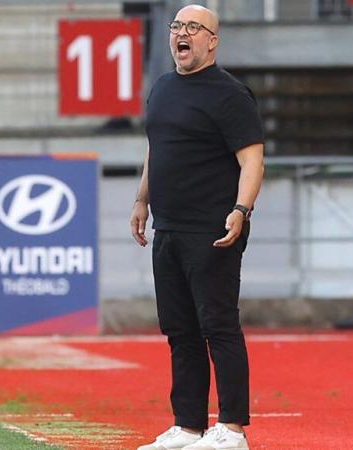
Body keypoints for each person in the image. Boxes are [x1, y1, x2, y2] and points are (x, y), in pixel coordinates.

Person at [132, 5, 264, 450]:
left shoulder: (230, 95)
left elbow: (252, 160)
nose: (181, 34)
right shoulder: (163, 88)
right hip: (167, 227)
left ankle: (231, 429)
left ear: (212, 40)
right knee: (179, 330)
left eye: (193, 28)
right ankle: (188, 425)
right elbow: (156, 149)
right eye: (176, 27)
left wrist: (241, 209)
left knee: (218, 326)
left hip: (212, 228)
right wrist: (141, 200)